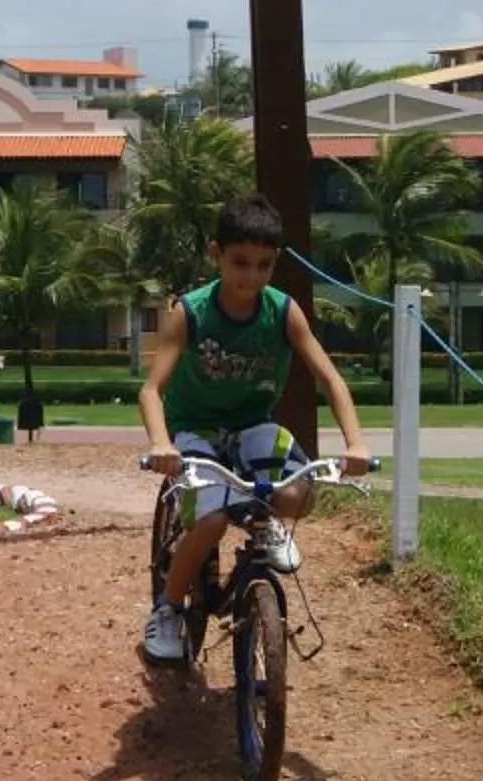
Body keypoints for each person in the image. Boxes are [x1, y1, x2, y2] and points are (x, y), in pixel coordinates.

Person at [137, 194, 366, 665]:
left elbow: (329, 378)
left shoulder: (282, 311)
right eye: (240, 262)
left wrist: (355, 443)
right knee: (211, 520)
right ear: (216, 254)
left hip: (253, 425)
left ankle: (268, 526)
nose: (252, 276)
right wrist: (160, 442)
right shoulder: (191, 311)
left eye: (264, 265)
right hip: (196, 430)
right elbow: (151, 390)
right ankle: (169, 608)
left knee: (296, 494)